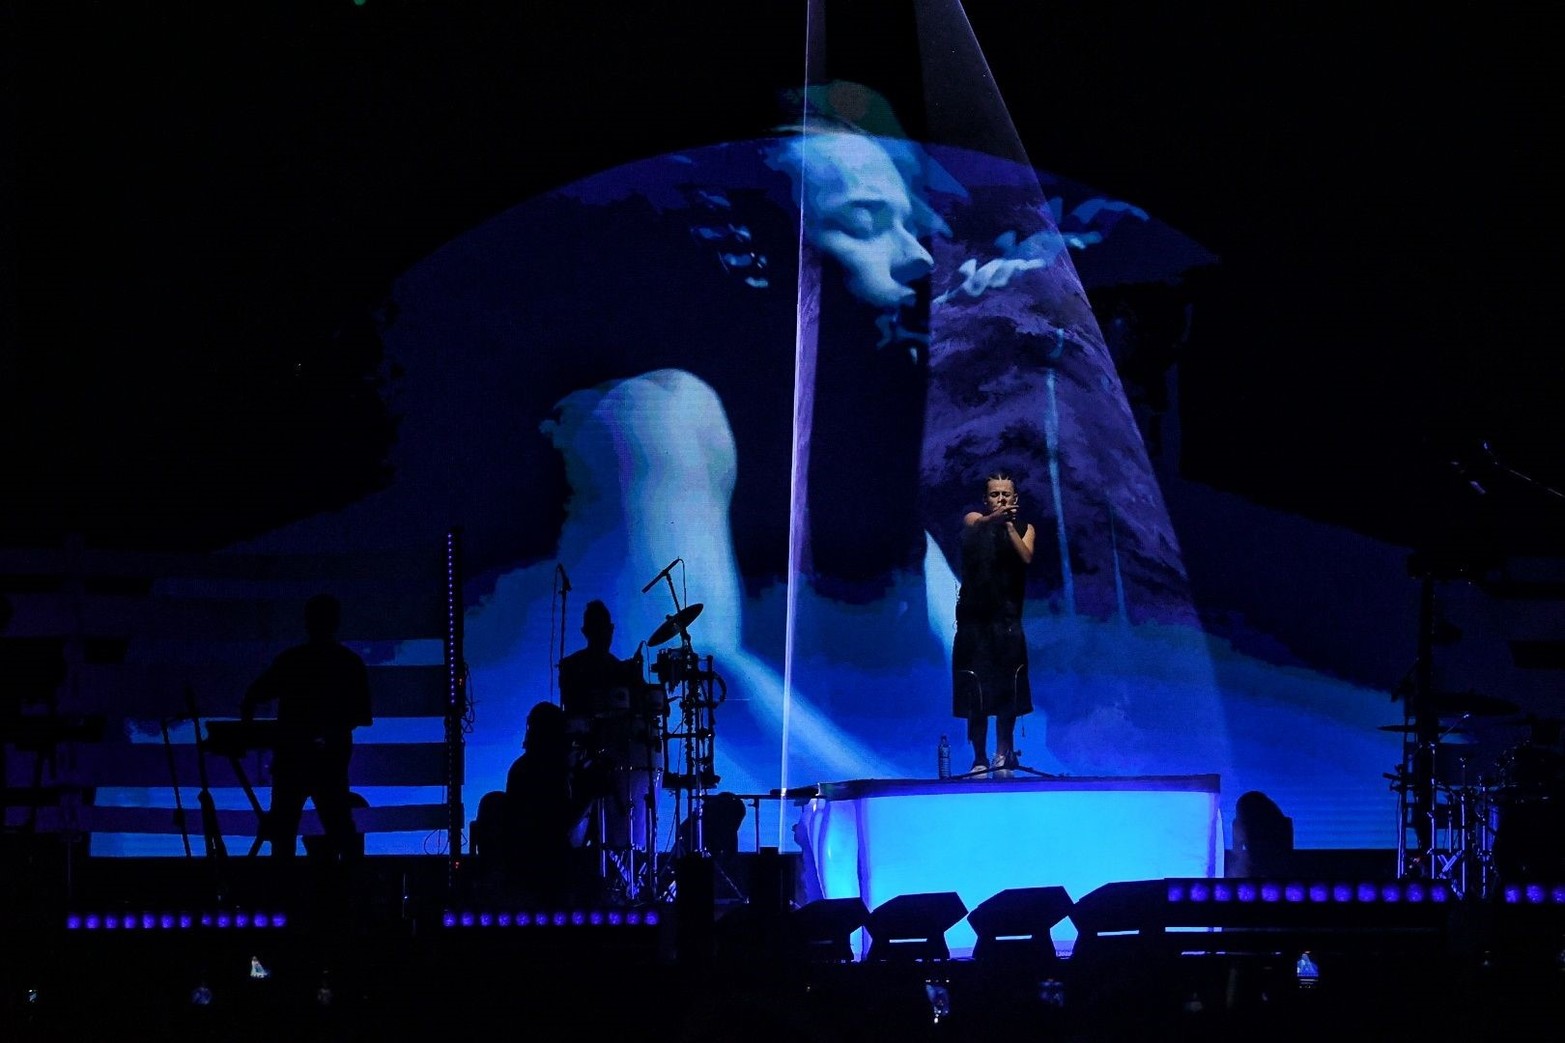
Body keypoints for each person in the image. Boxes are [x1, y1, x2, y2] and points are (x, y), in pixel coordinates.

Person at [240, 593, 372, 863]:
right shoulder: (347, 663)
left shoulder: (293, 661)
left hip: (294, 759)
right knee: (338, 826)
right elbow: (360, 714)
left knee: (285, 830)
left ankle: (284, 892)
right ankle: (351, 890)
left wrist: (248, 729)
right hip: (328, 761)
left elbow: (254, 694)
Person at [952, 472, 1035, 776]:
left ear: (1015, 499)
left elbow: (1026, 556)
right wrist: (994, 520)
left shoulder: (1026, 529)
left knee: (1007, 690)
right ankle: (979, 757)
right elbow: (975, 524)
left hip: (1008, 622)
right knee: (976, 690)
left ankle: (1004, 753)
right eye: (994, 494)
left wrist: (1009, 525)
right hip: (974, 622)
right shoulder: (974, 520)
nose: (1000, 499)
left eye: (1006, 495)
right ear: (986, 499)